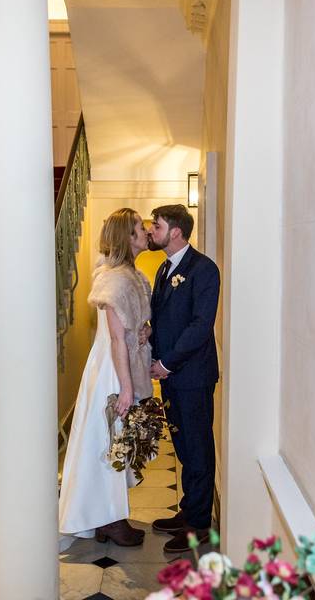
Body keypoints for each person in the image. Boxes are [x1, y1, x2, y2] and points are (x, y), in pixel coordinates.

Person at [59, 208, 155, 547]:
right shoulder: (115, 279)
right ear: (127, 238)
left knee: (112, 442)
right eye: (140, 228)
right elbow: (116, 338)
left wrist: (142, 332)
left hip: (119, 365)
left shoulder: (129, 275)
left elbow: (127, 331)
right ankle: (111, 520)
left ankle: (106, 517)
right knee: (109, 443)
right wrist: (126, 389)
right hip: (113, 373)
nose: (146, 232)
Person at [146, 204, 221, 554]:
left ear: (175, 231)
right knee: (181, 445)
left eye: (156, 226)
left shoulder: (204, 269)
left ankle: (200, 525)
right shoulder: (164, 269)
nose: (151, 231)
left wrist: (167, 363)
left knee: (198, 447)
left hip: (192, 375)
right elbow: (164, 319)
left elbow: (200, 327)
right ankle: (188, 511)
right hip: (170, 374)